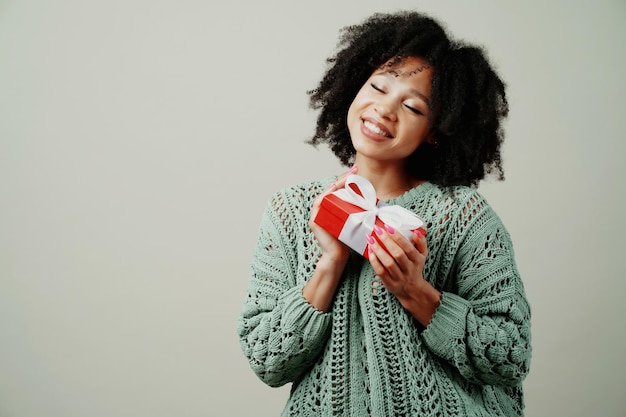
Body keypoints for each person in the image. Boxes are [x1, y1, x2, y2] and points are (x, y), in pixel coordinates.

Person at [237, 10, 531, 417]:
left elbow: (510, 355)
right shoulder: (291, 210)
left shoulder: (463, 215)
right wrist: (331, 262)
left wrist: (418, 292)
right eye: (377, 86)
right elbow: (267, 360)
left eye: (412, 106)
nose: (383, 109)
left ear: (434, 129)